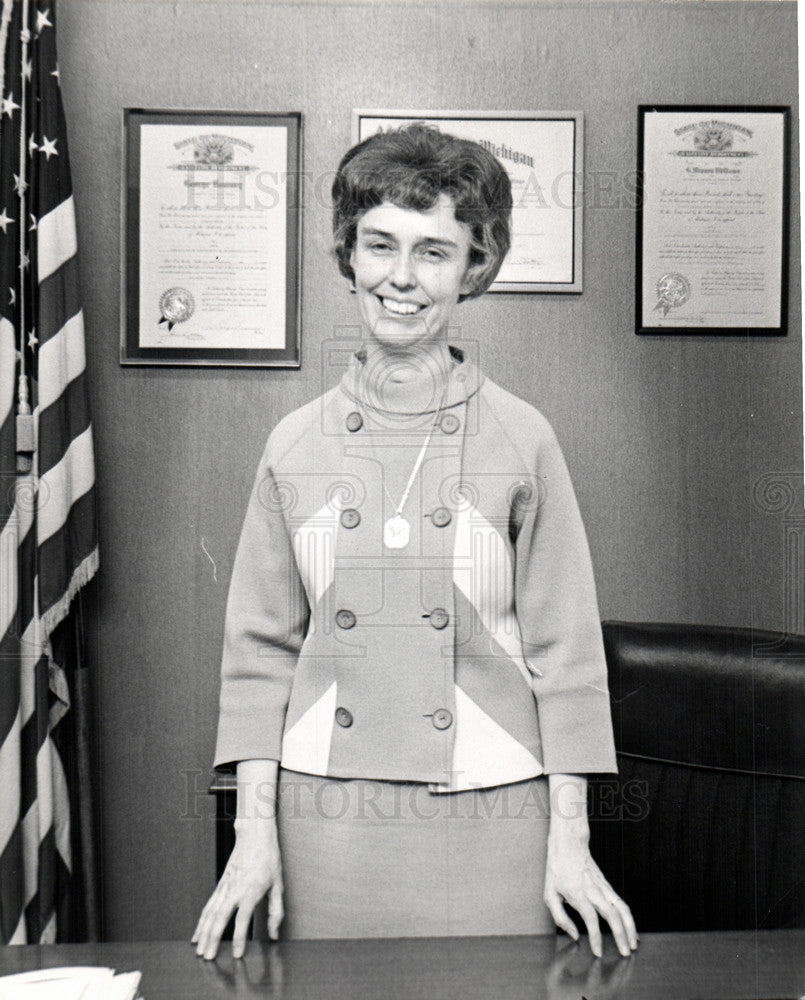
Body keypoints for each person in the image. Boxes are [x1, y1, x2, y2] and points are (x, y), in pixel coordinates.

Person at [192, 124, 638, 959]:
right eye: (379, 245)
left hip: (497, 815)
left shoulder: (522, 435)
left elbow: (566, 655)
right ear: (348, 256)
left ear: (474, 267)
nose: (401, 277)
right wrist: (254, 840)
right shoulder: (293, 443)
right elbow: (257, 655)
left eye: (434, 251)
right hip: (325, 823)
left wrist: (569, 842)